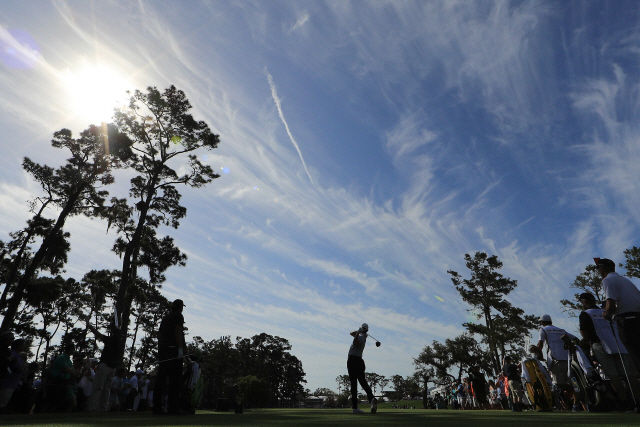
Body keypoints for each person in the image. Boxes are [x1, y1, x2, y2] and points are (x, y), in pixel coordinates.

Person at [579, 292, 640, 411]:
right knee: (629, 375)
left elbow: (585, 333)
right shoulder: (606, 311)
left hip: (601, 345)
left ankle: (624, 402)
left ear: (584, 302)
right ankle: (637, 400)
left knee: (613, 376)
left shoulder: (585, 314)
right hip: (619, 344)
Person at [597, 257, 640, 369]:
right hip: (638, 317)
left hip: (627, 321)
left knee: (636, 355)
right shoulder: (626, 280)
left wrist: (606, 315)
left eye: (598, 268)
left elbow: (610, 304)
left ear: (602, 268)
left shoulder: (607, 280)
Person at [153, 299, 187, 415]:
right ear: (180, 307)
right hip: (173, 349)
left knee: (161, 378)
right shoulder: (178, 316)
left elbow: (160, 334)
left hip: (163, 349)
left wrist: (160, 350)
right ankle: (173, 408)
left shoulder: (165, 318)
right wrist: (180, 348)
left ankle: (157, 407)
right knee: (175, 380)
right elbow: (178, 331)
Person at [87, 320, 125, 412]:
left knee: (98, 387)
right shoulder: (120, 343)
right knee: (106, 389)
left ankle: (93, 408)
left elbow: (98, 334)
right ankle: (103, 407)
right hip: (113, 368)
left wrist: (90, 326)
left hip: (105, 366)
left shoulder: (110, 340)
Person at [533, 314, 576, 387]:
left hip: (556, 359)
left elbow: (540, 345)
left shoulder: (543, 329)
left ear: (542, 322)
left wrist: (536, 355)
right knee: (571, 384)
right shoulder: (561, 330)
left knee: (558, 385)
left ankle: (562, 398)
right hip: (568, 360)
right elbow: (575, 339)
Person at [347, 323, 377, 414]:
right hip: (354, 360)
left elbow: (355, 342)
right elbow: (351, 333)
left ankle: (365, 402)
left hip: (355, 360)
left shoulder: (362, 337)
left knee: (358, 382)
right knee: (357, 382)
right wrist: (359, 331)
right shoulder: (360, 334)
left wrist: (360, 332)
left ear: (366, 330)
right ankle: (370, 399)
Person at [48, 343, 78, 412]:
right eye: (73, 349)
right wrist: (71, 371)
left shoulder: (69, 360)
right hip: (58, 381)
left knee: (70, 402)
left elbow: (72, 372)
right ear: (70, 349)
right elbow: (66, 369)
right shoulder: (62, 358)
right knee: (58, 402)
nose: (74, 351)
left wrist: (71, 371)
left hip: (65, 382)